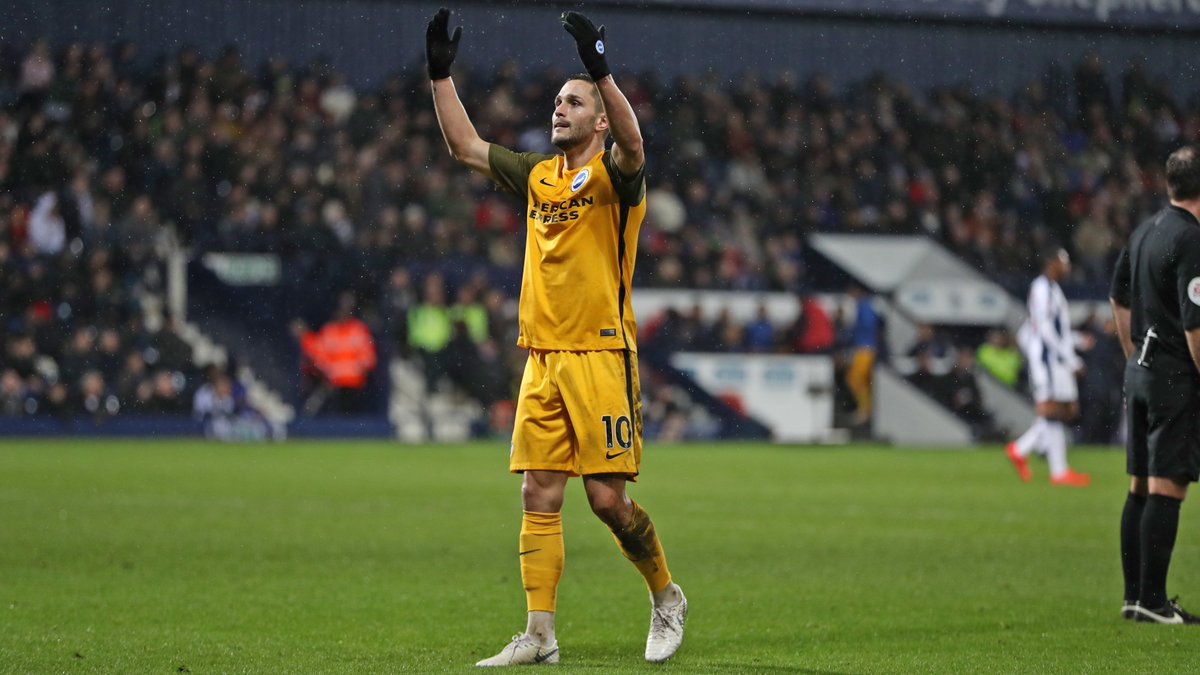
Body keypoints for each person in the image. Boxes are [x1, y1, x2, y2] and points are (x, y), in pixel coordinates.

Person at [426, 8, 687, 666]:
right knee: (537, 491)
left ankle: (666, 595)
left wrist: (601, 71)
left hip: (601, 355)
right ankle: (539, 635)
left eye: (573, 102)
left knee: (606, 499)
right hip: (543, 359)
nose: (559, 109)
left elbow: (635, 146)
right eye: (556, 101)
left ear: (598, 118)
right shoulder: (540, 176)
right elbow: (465, 147)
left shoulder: (616, 180)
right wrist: (439, 75)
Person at [1109, 144, 1200, 625]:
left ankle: (1134, 597)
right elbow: (1195, 325)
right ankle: (1154, 602)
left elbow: (1117, 297)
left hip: (1141, 373)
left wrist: (1132, 356)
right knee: (1169, 488)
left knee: (1140, 486)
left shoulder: (1145, 230)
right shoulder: (1191, 240)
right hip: (1171, 377)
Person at [1005, 247, 1091, 487]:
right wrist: (1070, 358)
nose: (1067, 266)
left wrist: (1077, 340)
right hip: (1049, 361)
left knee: (1061, 412)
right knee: (1055, 411)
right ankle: (1044, 461)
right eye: (1063, 261)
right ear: (1051, 262)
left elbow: (1056, 331)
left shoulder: (1053, 290)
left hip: (1055, 359)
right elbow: (1044, 330)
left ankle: (1034, 456)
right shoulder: (1042, 288)